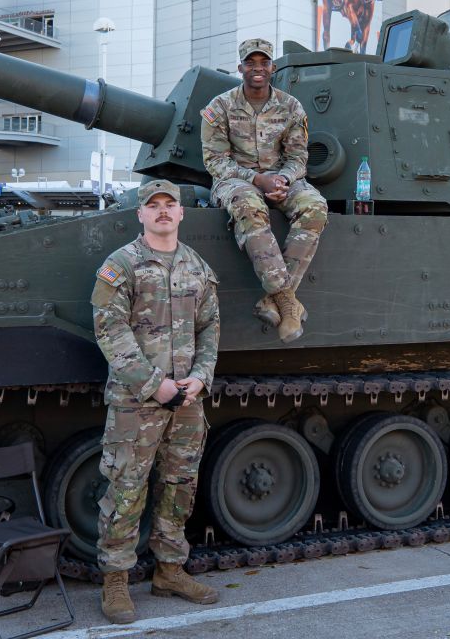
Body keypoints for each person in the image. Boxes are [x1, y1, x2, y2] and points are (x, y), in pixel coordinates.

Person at [90, 179, 221, 624]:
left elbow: (210, 328)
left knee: (179, 485)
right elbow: (111, 330)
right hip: (136, 401)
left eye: (170, 205)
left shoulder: (196, 267)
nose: (162, 211)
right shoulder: (121, 265)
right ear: (140, 214)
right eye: (154, 205)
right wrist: (153, 384)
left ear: (181, 213)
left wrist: (200, 377)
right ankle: (115, 579)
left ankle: (169, 571)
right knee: (127, 487)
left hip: (188, 400)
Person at [200, 39, 329, 342]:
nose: (257, 68)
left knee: (315, 207)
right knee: (247, 205)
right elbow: (215, 160)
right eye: (250, 63)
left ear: (273, 67)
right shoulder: (220, 107)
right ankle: (286, 300)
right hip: (235, 180)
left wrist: (282, 180)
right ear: (240, 67)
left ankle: (272, 300)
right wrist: (257, 180)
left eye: (264, 62)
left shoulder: (290, 106)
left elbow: (298, 157)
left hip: (282, 179)